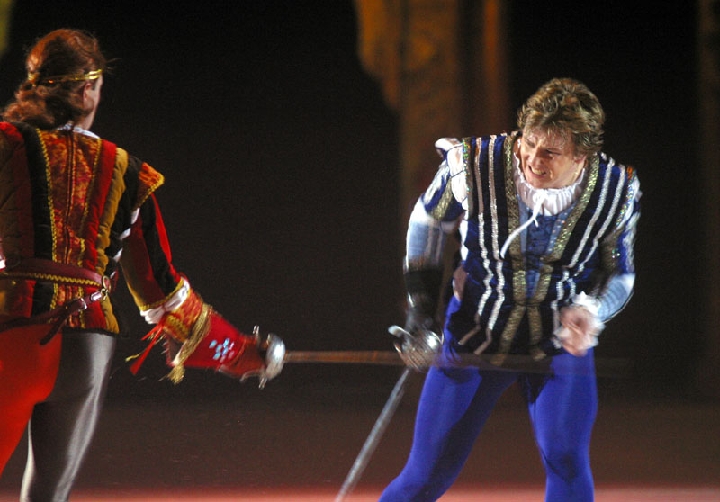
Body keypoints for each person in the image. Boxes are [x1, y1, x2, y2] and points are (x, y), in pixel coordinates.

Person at [0, 29, 283, 501]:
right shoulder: (125, 170)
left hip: (14, 333)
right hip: (86, 349)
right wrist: (236, 352)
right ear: (87, 90)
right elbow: (163, 293)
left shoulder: (6, 145)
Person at [382, 78, 640, 501]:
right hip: (474, 334)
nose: (533, 159)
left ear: (581, 156)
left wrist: (592, 311)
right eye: (529, 142)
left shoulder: (614, 191)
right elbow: (427, 222)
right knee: (427, 472)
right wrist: (422, 308)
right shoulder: (476, 164)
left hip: (556, 343)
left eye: (550, 152)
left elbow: (621, 274)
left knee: (566, 458)